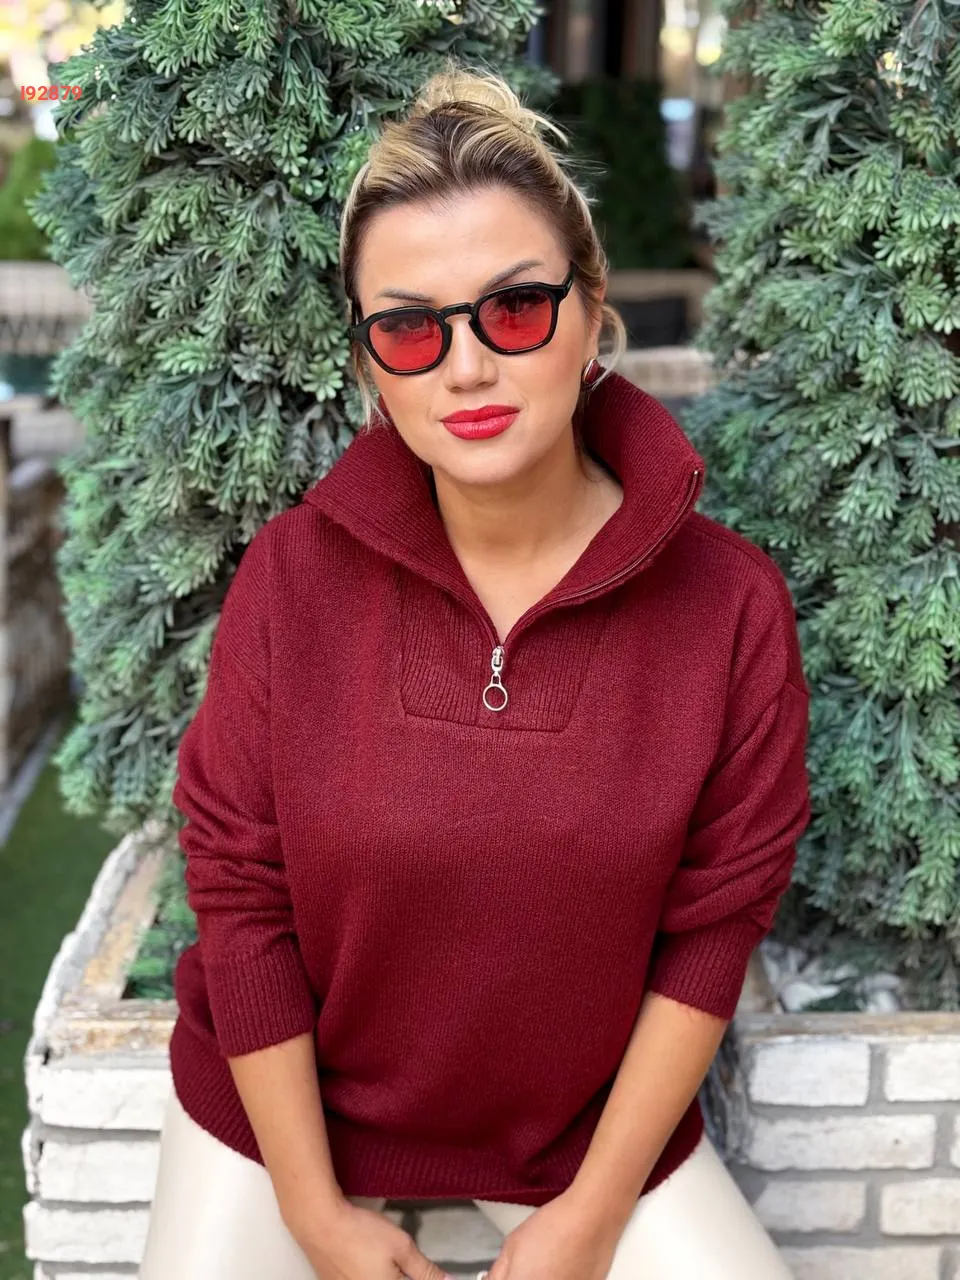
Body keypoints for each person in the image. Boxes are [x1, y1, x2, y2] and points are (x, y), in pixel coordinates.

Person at [139, 61, 811, 1280]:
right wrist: (315, 1209)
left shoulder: (730, 607)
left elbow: (714, 929)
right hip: (291, 1106)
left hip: (572, 1130)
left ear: (590, 308)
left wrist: (593, 1213)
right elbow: (240, 897)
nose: (466, 369)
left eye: (514, 308)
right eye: (411, 327)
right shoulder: (292, 578)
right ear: (370, 363)